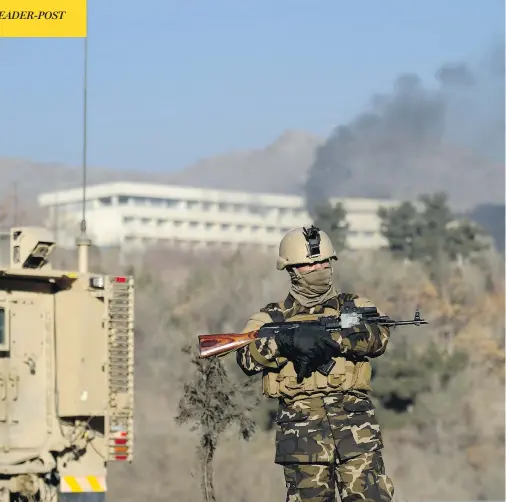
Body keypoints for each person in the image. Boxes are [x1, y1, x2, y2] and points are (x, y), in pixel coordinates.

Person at [236, 225, 395, 502]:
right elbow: (246, 358)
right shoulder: (271, 317)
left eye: (323, 261)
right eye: (309, 265)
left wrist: (334, 337)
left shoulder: (354, 305)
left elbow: (379, 337)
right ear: (292, 270)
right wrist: (286, 342)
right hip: (301, 439)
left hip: (356, 432)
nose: (319, 268)